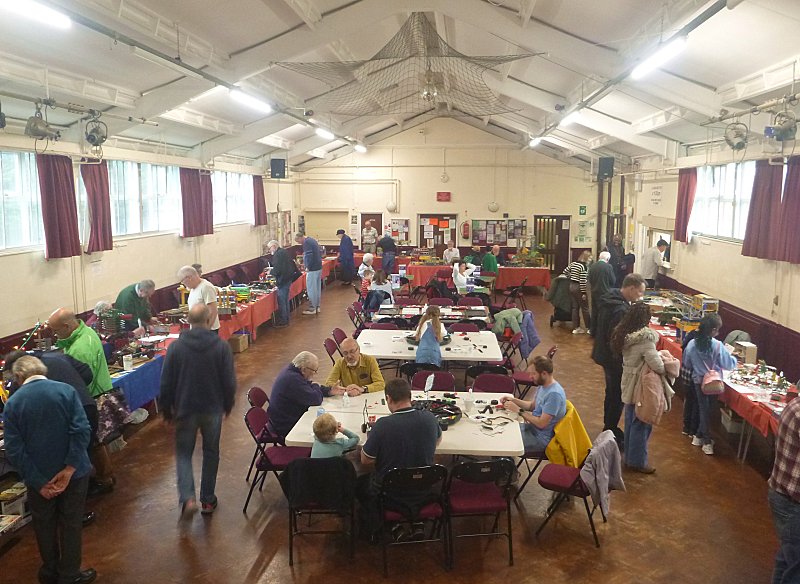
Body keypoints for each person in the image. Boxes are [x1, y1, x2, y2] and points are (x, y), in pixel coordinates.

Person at [3, 356, 96, 584]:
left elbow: (14, 449)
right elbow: (82, 430)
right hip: (73, 473)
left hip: (39, 478)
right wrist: (69, 469)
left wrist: (38, 481)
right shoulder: (65, 391)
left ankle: (50, 571)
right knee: (71, 523)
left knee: (44, 525)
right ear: (42, 370)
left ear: (18, 377)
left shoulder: (13, 403)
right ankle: (70, 574)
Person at [159, 304, 236, 516]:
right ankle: (208, 500)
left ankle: (187, 498)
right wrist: (228, 405)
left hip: (185, 409)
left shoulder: (175, 348)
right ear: (209, 320)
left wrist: (166, 410)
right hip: (212, 409)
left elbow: (166, 382)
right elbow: (229, 381)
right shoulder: (221, 347)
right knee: (211, 452)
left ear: (188, 322)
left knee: (184, 454)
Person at [359, 378, 442, 538]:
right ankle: (417, 520)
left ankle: (394, 525)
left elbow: (365, 460)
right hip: (423, 490)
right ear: (410, 397)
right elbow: (437, 441)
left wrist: (376, 440)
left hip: (390, 494)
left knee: (363, 485)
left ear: (388, 398)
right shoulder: (430, 418)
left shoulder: (382, 425)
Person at [48, 308, 117, 494]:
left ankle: (104, 479)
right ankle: (106, 475)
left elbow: (79, 380)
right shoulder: (86, 331)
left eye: (56, 330)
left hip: (91, 397)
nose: (55, 335)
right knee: (98, 439)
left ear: (67, 325)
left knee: (93, 441)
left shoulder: (80, 349)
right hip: (98, 392)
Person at [591, 273, 647, 446]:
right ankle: (610, 428)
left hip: (603, 353)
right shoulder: (621, 310)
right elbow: (617, 338)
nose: (640, 296)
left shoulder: (609, 299)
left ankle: (609, 426)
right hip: (613, 359)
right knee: (617, 394)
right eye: (639, 292)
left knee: (611, 392)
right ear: (631, 288)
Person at [611, 302, 665, 473]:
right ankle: (637, 461)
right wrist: (665, 365)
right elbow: (657, 365)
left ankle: (630, 456)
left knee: (630, 420)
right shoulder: (645, 339)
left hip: (627, 380)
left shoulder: (624, 335)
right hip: (640, 385)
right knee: (642, 422)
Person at [682, 313, 737, 456]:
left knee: (702, 409)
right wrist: (734, 358)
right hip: (713, 383)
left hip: (698, 381)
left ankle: (698, 436)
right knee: (707, 411)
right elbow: (728, 364)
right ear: (713, 330)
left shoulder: (692, 344)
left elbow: (687, 363)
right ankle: (706, 441)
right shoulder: (717, 346)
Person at [268, 351, 342, 440]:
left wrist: (329, 391)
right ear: (303, 369)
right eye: (314, 371)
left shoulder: (293, 370)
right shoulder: (293, 379)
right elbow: (315, 399)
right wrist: (315, 385)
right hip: (285, 425)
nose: (315, 374)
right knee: (324, 430)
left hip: (284, 417)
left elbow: (308, 386)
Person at [500, 356, 566, 452]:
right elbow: (532, 406)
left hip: (540, 438)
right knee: (502, 430)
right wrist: (513, 400)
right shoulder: (543, 385)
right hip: (532, 429)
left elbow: (541, 424)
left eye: (533, 374)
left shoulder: (554, 395)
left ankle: (503, 464)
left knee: (503, 440)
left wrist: (519, 410)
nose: (530, 377)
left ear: (544, 374)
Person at [769, 395, 800, 582]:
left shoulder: (795, 404)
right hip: (793, 503)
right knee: (795, 568)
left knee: (786, 558)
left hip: (783, 495)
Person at [177, 266, 220, 333]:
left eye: (182, 281)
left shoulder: (206, 287)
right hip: (197, 330)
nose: (183, 284)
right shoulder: (193, 288)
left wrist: (206, 331)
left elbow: (213, 311)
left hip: (208, 330)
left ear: (189, 278)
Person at [267, 239, 297, 328]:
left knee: (282, 300)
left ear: (274, 247)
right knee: (285, 299)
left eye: (269, 248)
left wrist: (271, 273)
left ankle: (284, 320)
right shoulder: (284, 252)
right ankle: (287, 318)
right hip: (288, 278)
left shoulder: (278, 255)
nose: (269, 251)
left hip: (283, 280)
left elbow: (278, 268)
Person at [563, 250, 591, 334]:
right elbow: (582, 281)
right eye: (590, 258)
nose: (590, 260)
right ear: (586, 258)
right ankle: (589, 327)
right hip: (579, 287)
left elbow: (565, 271)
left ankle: (576, 327)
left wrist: (571, 277)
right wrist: (583, 293)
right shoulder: (584, 267)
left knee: (575, 308)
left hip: (571, 286)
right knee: (585, 308)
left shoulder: (573, 264)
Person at [588, 250, 615, 336]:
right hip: (605, 292)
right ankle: (601, 332)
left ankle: (593, 330)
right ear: (607, 259)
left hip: (594, 292)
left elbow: (590, 279)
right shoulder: (608, 267)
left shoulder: (592, 266)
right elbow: (613, 280)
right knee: (603, 312)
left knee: (594, 311)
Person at [295, 233, 323, 315]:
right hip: (318, 267)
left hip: (312, 269)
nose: (299, 243)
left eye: (298, 241)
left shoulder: (306, 243)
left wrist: (308, 266)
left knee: (311, 289)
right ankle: (317, 306)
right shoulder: (312, 240)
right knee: (317, 289)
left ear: (301, 238)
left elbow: (309, 256)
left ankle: (312, 308)